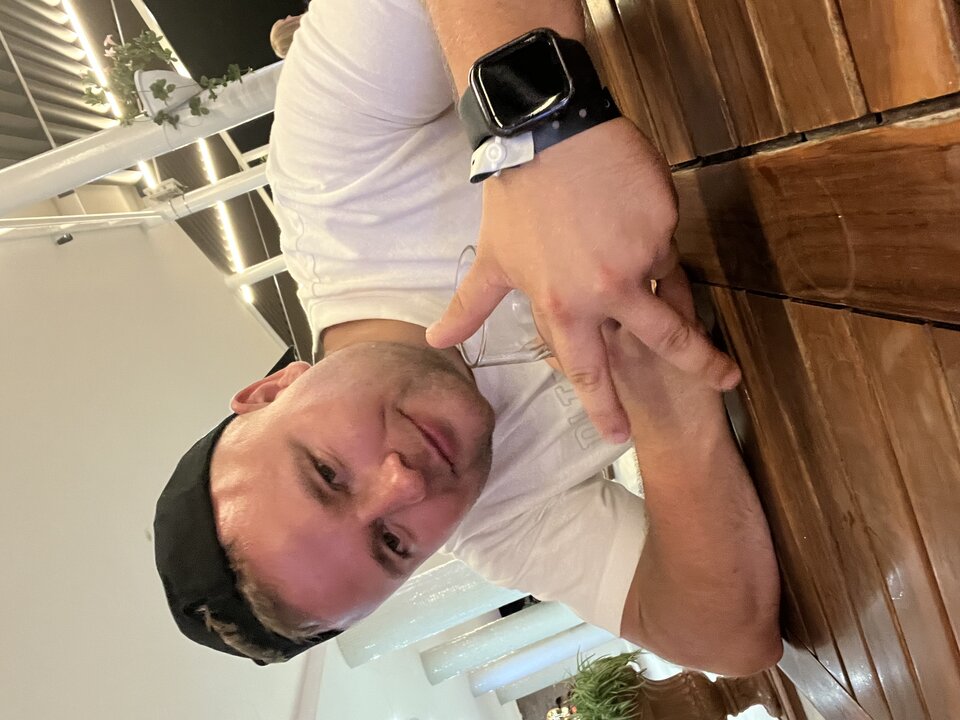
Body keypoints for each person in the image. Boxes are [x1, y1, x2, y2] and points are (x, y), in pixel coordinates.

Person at [154, 0, 781, 674]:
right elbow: (727, 640)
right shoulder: (499, 519)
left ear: (273, 389)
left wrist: (544, 134)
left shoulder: (332, 184)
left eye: (328, 474)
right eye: (392, 544)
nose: (402, 485)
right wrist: (672, 420)